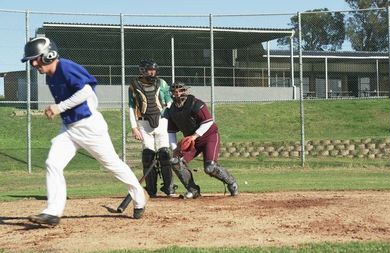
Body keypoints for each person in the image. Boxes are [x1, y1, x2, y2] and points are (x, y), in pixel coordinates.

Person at [21, 37, 147, 226]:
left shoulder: (66, 67)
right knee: (52, 163)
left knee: (112, 165)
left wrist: (59, 107)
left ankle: (139, 196)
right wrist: (58, 109)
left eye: (35, 58)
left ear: (49, 55)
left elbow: (87, 91)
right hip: (70, 129)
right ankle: (53, 213)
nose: (33, 63)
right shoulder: (50, 76)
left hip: (89, 127)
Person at [165, 82, 238, 199]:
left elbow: (208, 122)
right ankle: (193, 190)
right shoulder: (172, 110)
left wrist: (194, 136)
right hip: (193, 142)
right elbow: (171, 131)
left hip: (209, 136)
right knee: (175, 161)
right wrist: (175, 149)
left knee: (210, 168)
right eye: (175, 91)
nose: (177, 94)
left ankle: (231, 182)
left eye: (180, 91)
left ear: (185, 91)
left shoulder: (196, 103)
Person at [128, 59, 176, 198]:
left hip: (162, 121)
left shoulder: (161, 83)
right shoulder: (133, 85)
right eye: (150, 70)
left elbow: (169, 101)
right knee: (148, 156)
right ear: (142, 70)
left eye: (154, 70)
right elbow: (131, 107)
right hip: (144, 124)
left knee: (164, 155)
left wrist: (173, 117)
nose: (152, 72)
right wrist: (134, 127)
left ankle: (169, 188)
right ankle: (151, 190)